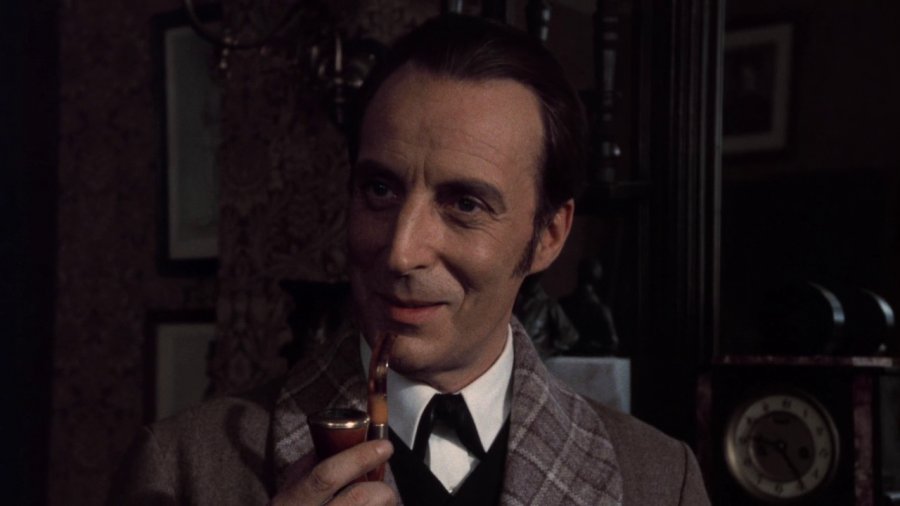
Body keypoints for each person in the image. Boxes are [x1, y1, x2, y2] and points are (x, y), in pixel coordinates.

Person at [109, 14, 710, 505]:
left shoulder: (662, 481)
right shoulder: (181, 469)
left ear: (548, 236)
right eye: (380, 189)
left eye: (465, 204)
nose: (401, 251)